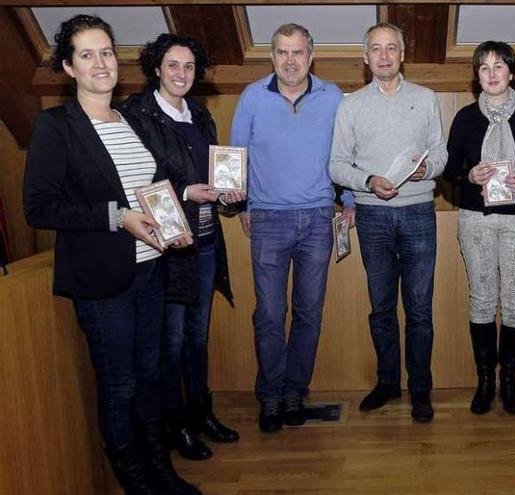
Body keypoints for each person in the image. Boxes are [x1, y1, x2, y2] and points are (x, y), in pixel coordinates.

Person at [23, 15, 200, 495]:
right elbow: (39, 208)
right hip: (103, 282)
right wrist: (117, 217)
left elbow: (149, 191)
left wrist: (172, 226)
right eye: (86, 54)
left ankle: (161, 470)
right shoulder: (55, 125)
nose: (100, 63)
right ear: (68, 66)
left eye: (105, 52)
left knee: (149, 377)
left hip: (151, 271)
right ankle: (138, 484)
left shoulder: (131, 119)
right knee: (120, 386)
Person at [119, 33, 243, 461]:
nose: (181, 74)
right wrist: (187, 192)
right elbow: (133, 180)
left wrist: (228, 193)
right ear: (156, 67)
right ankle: (178, 426)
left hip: (206, 240)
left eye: (189, 67)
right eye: (172, 65)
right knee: (169, 342)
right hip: (167, 244)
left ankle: (201, 413)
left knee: (197, 337)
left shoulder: (201, 114)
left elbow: (217, 171)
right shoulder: (136, 114)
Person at [230, 23, 349, 433]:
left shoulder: (333, 97)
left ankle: (295, 389)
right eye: (282, 52)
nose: (290, 60)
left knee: (308, 312)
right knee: (268, 313)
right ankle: (271, 394)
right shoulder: (251, 97)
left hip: (318, 217)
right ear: (272, 57)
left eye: (298, 52)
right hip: (267, 219)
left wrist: (347, 201)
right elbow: (235, 157)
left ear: (311, 56)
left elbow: (344, 153)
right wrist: (242, 203)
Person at [329, 22, 447, 423]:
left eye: (391, 48)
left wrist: (425, 168)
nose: (383, 55)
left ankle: (420, 389)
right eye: (375, 49)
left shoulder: (427, 98)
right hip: (373, 214)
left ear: (402, 55)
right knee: (381, 308)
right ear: (365, 58)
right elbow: (337, 165)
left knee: (419, 309)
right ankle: (386, 382)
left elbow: (441, 155)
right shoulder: (351, 105)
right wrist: (367, 182)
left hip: (418, 213)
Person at [444, 41, 515, 415]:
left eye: (498, 67)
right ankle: (485, 383)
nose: (491, 74)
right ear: (477, 76)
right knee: (481, 299)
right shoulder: (464, 118)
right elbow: (450, 171)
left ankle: (509, 382)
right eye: (484, 68)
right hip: (476, 217)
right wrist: (468, 174)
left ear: (511, 72)